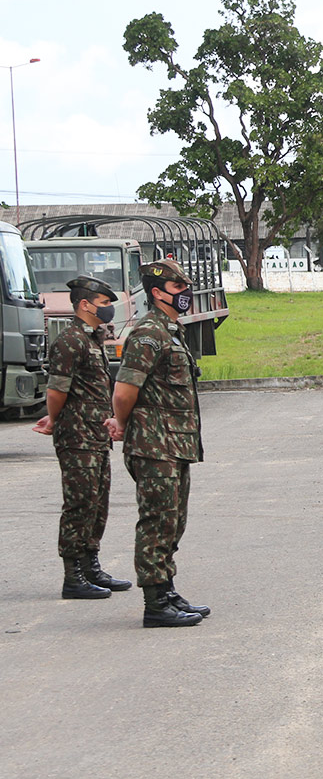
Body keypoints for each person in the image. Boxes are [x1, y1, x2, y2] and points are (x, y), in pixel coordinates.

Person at [105, 259, 209, 628]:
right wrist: (120, 423)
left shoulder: (171, 331)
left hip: (174, 445)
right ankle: (155, 604)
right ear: (157, 293)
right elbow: (124, 391)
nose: (186, 295)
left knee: (173, 522)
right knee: (157, 522)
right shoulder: (149, 333)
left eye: (185, 288)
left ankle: (166, 589)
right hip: (154, 446)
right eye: (179, 290)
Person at [32, 276, 132, 599]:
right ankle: (72, 575)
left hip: (96, 435)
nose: (109, 310)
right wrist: (54, 419)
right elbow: (57, 391)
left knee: (97, 502)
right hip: (77, 437)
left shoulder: (91, 339)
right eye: (104, 304)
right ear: (85, 305)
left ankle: (91, 565)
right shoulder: (70, 341)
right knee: (79, 502)